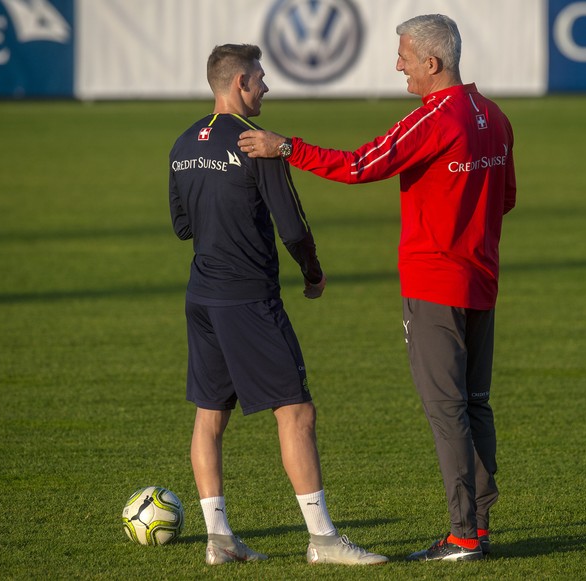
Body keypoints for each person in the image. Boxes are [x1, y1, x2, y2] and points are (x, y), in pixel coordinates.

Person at [237, 14, 516, 562]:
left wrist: (286, 146)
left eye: (405, 57)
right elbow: (504, 197)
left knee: (447, 411)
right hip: (482, 279)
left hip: (436, 284)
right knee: (476, 405)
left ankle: (462, 537)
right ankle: (478, 527)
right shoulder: (495, 116)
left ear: (432, 64)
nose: (399, 66)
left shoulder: (434, 117)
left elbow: (361, 164)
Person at [168, 43, 388, 567]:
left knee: (209, 415)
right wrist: (313, 272)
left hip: (201, 294)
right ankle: (324, 540)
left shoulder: (180, 144)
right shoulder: (257, 143)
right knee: (296, 411)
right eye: (261, 78)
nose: (267, 87)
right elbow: (292, 225)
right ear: (239, 82)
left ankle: (219, 540)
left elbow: (182, 226)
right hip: (248, 298)